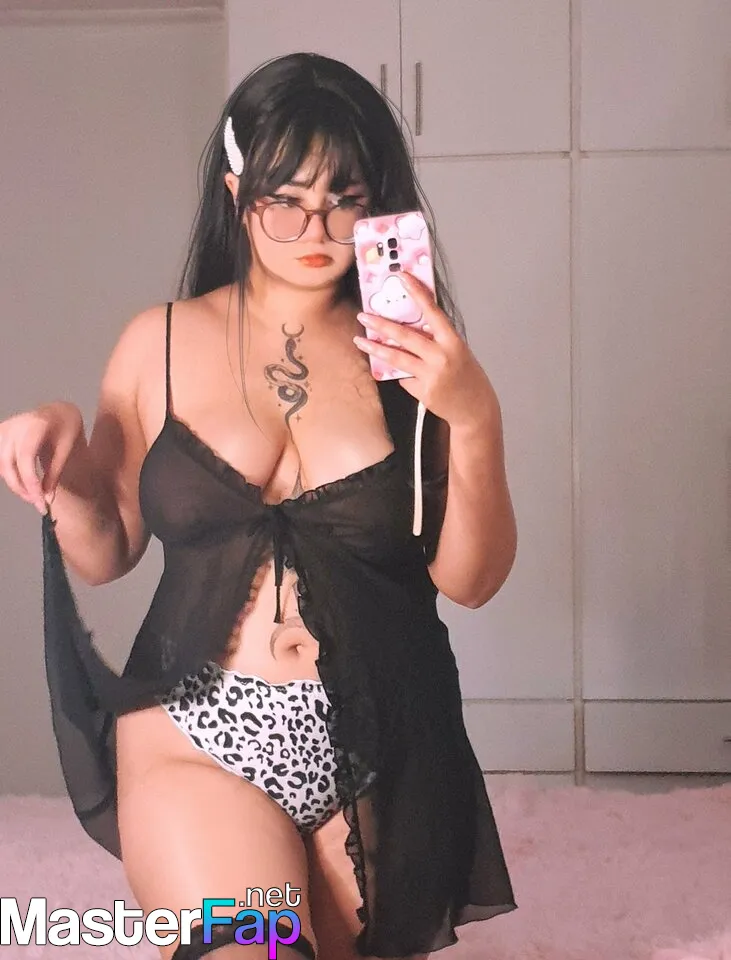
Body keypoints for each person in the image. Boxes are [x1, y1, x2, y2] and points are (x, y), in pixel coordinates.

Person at [0, 53, 518, 960]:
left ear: (379, 206)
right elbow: (105, 548)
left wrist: (473, 415)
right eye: (285, 200)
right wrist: (64, 454)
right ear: (237, 193)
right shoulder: (160, 342)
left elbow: (469, 581)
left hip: (384, 737)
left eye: (343, 200)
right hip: (195, 732)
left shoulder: (415, 357)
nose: (313, 229)